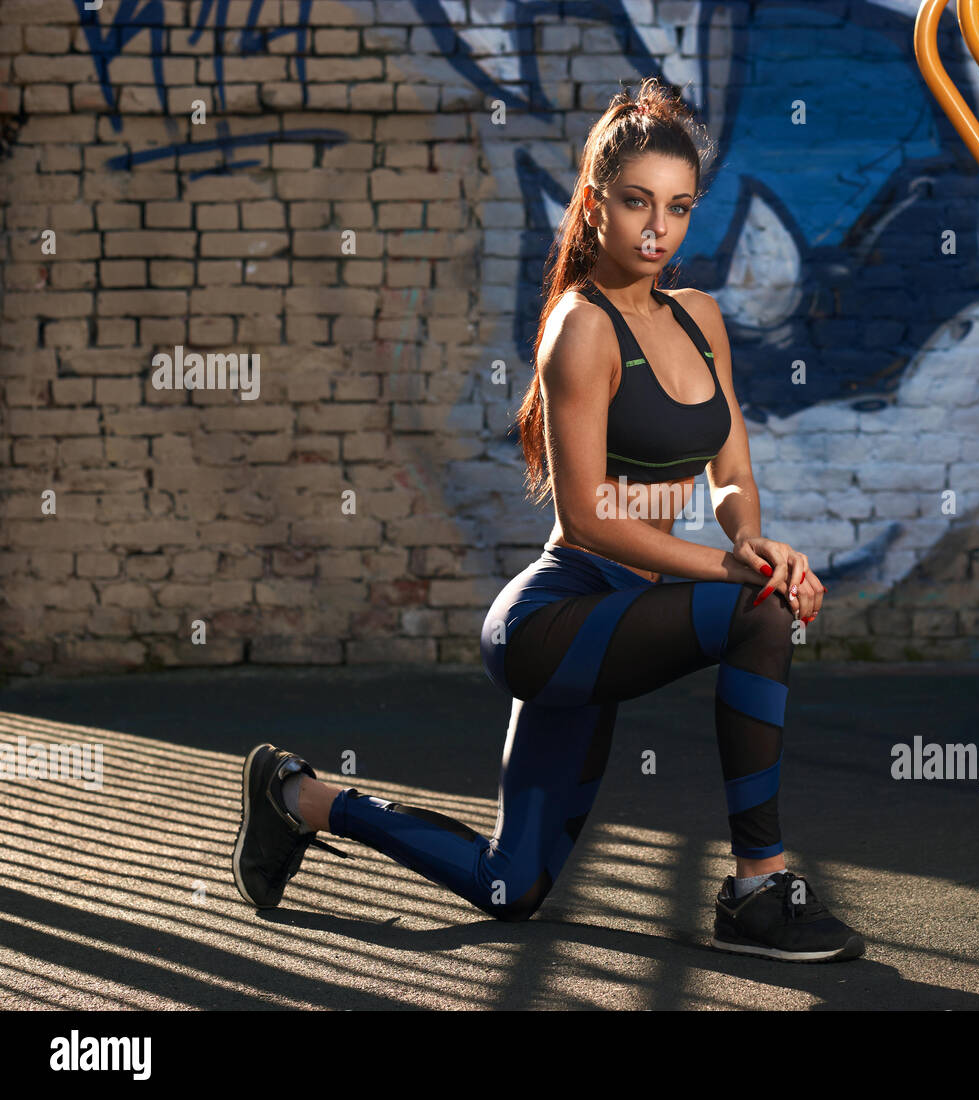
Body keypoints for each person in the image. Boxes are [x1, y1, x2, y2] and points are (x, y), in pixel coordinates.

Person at [233, 77, 864, 963]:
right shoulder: (581, 327)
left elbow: (731, 469)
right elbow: (593, 520)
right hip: (558, 619)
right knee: (760, 611)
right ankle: (758, 888)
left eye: (679, 208)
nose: (658, 228)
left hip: (629, 618)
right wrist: (732, 574)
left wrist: (749, 539)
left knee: (510, 887)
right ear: (598, 203)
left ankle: (296, 797)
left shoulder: (703, 319)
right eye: (638, 202)